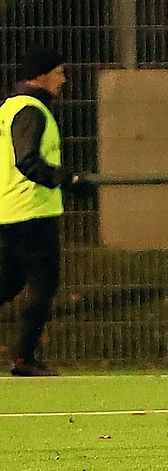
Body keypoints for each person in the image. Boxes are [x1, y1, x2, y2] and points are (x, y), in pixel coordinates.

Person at [0, 46, 83, 377]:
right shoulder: (32, 110)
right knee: (42, 284)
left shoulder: (8, 107)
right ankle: (24, 358)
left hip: (9, 211)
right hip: (31, 211)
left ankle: (24, 357)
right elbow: (27, 160)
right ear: (42, 75)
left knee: (8, 283)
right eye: (59, 73)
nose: (63, 80)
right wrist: (66, 179)